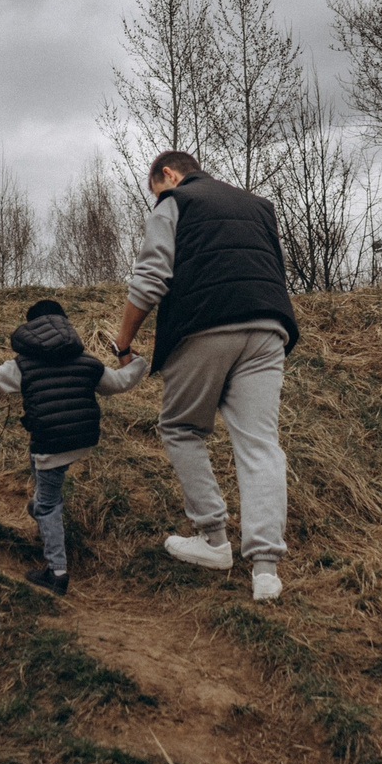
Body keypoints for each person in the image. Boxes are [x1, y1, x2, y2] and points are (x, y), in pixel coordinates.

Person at [110, 150, 300, 603]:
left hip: (204, 324)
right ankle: (266, 571)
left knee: (181, 427)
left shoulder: (175, 202)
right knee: (260, 444)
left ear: (168, 174)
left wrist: (123, 342)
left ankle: (213, 539)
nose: (157, 197)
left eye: (156, 189)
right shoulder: (259, 206)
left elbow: (150, 279)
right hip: (269, 326)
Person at [0, 299, 151, 595]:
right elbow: (119, 383)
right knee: (41, 470)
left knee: (48, 503)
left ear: (31, 329)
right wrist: (138, 363)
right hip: (81, 438)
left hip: (51, 441)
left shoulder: (21, 366)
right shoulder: (87, 363)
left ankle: (56, 572)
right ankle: (39, 507)